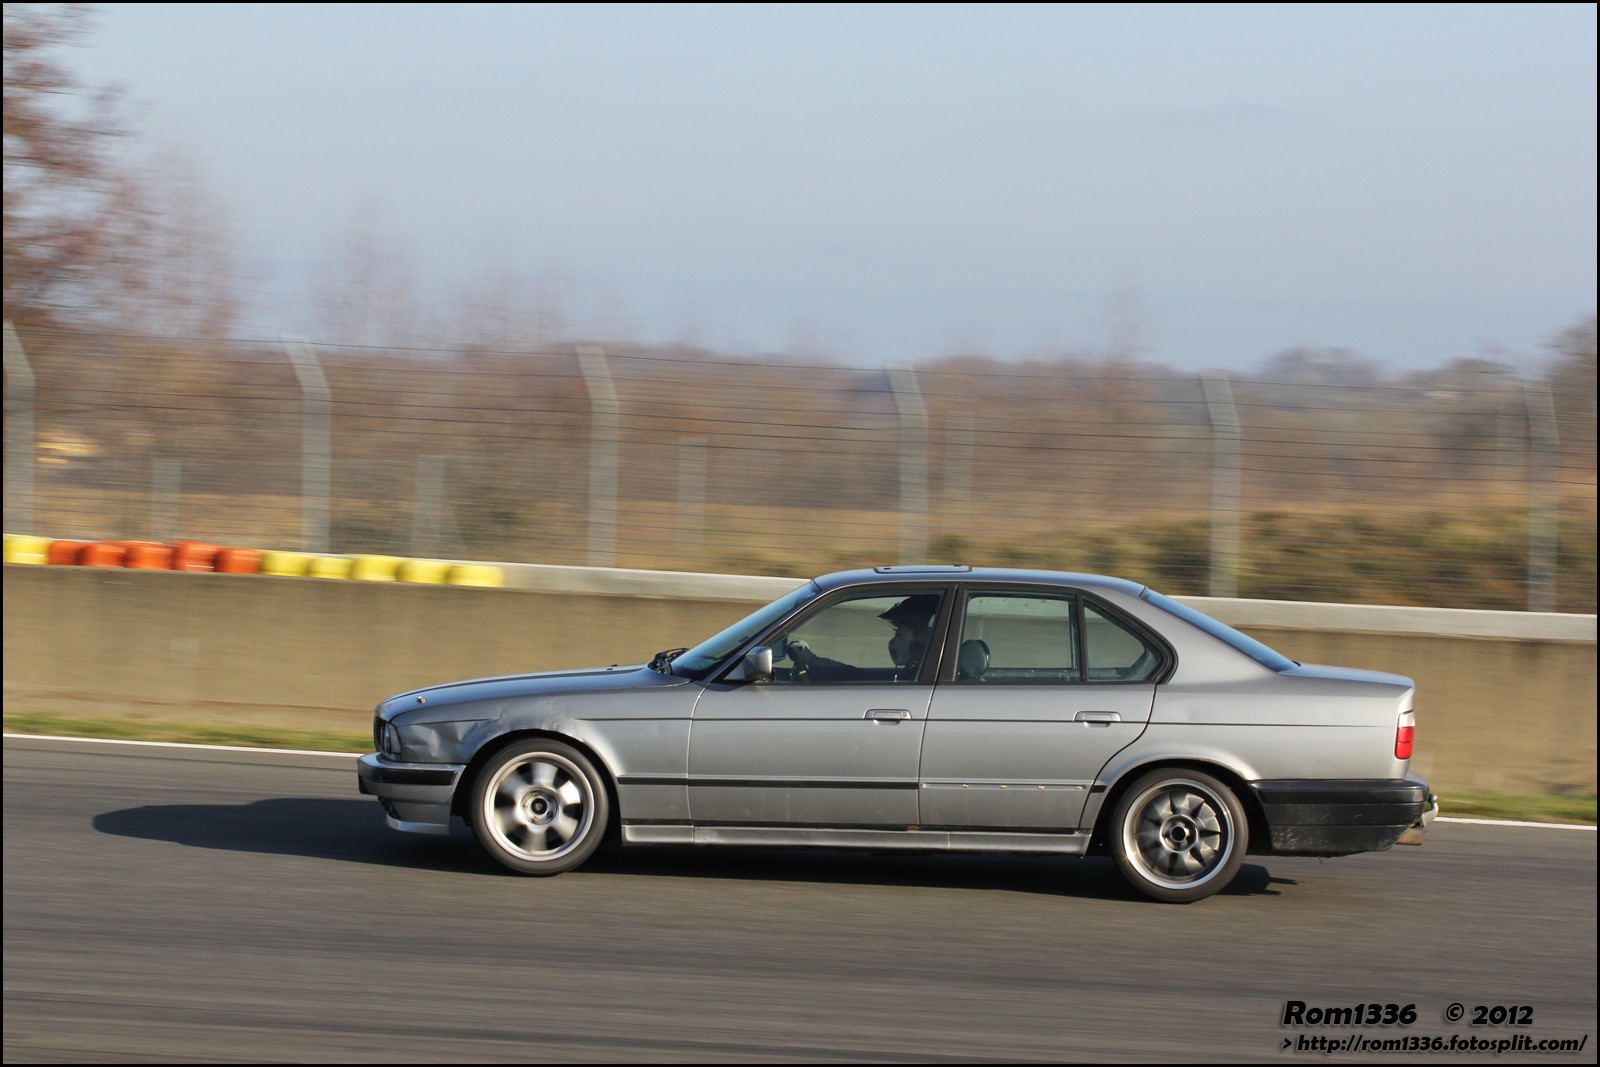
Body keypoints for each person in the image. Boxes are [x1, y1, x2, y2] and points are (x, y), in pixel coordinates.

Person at [784, 594, 939, 682]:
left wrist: (812, 660)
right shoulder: (915, 674)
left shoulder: (917, 679)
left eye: (899, 635)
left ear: (922, 641)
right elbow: (862, 676)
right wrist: (812, 659)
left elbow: (859, 676)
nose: (893, 643)